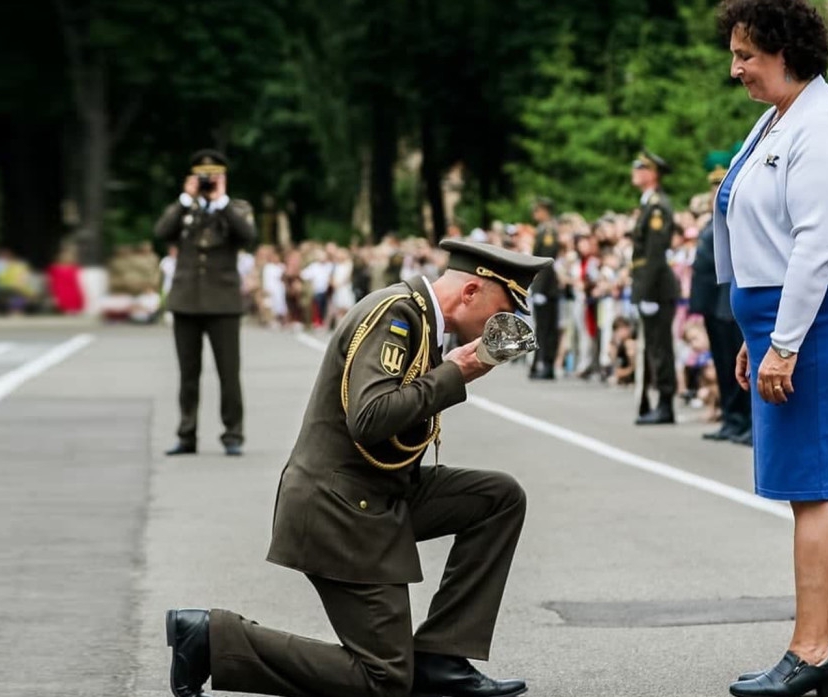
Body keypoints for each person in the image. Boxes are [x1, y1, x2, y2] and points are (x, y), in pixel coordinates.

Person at [163, 239, 550, 697]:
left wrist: (449, 370)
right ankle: (211, 639)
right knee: (384, 679)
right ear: (470, 293)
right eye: (502, 312)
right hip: (339, 509)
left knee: (498, 498)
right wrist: (452, 374)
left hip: (378, 492)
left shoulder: (422, 319)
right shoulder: (396, 315)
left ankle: (441, 657)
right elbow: (369, 418)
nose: (502, 327)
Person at [715, 1, 828, 694]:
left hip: (815, 317)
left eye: (747, 54)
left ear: (785, 52)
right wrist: (761, 337)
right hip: (783, 318)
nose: (737, 68)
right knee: (804, 487)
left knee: (818, 485)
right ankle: (824, 642)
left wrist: (782, 341)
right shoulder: (780, 117)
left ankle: (812, 648)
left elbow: (815, 245)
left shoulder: (823, 125)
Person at [155, 149, 258, 457]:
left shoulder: (236, 209)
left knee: (229, 373)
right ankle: (187, 434)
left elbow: (247, 236)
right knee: (188, 374)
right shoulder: (185, 209)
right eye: (203, 176)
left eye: (213, 176)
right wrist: (186, 199)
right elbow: (161, 233)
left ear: (223, 177)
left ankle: (233, 434)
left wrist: (221, 202)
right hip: (186, 301)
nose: (207, 181)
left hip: (223, 304)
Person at [691, 147, 752, 445]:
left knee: (736, 365)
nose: (716, 189)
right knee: (723, 364)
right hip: (713, 303)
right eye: (714, 184)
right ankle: (731, 419)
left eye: (721, 183)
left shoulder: (736, 214)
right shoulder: (713, 217)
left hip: (728, 301)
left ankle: (745, 421)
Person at [630, 150, 679, 424]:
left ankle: (665, 404)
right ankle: (656, 402)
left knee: (660, 349)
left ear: (653, 174)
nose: (635, 171)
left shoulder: (658, 205)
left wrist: (645, 292)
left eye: (641, 167)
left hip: (657, 290)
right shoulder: (648, 203)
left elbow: (655, 255)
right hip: (651, 288)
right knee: (653, 348)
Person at [528, 198, 561, 380]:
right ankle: (540, 363)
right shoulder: (543, 229)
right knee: (542, 328)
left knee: (547, 329)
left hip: (547, 288)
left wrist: (540, 288)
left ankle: (547, 364)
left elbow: (546, 262)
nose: (535, 214)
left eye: (537, 210)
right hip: (543, 286)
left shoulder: (548, 230)